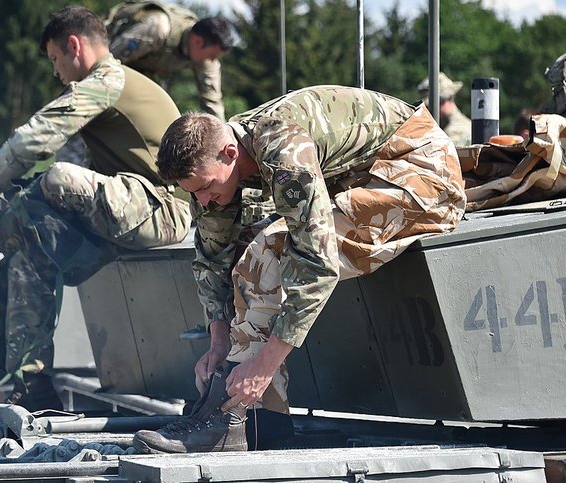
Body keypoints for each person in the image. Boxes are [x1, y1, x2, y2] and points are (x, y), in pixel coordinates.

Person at [132, 85, 467, 454]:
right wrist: (219, 339)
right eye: (192, 193)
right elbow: (214, 257)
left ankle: (237, 414)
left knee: (270, 249)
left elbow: (318, 261)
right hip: (366, 174)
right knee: (248, 248)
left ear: (230, 153)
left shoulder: (281, 146)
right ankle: (262, 423)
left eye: (207, 187)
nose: (202, 199)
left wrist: (264, 364)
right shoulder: (216, 165)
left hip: (422, 172)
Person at [0, 5, 191, 411]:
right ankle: (31, 381)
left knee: (56, 179)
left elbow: (37, 137)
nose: (55, 71)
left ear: (74, 47)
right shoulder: (105, 93)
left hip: (165, 209)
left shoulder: (107, 80)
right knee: (30, 245)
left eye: (54, 59)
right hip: (129, 209)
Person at [105, 0, 237, 120]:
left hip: (139, 71)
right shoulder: (158, 28)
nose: (213, 61)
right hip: (109, 57)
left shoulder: (206, 55)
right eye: (212, 56)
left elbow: (212, 101)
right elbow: (107, 62)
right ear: (198, 41)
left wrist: (222, 136)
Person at [418, 72, 472, 146]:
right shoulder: (436, 129)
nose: (428, 110)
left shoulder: (459, 131)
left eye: (435, 104)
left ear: (449, 98)